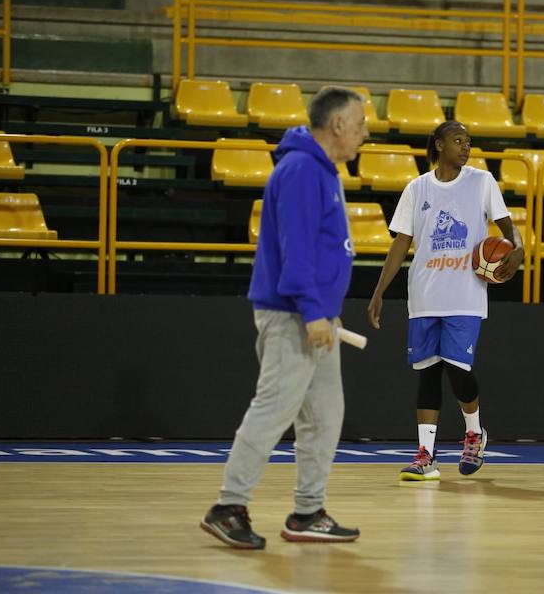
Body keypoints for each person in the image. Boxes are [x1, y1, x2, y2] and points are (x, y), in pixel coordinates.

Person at [200, 87, 368, 548]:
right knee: (274, 408)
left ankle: (308, 512)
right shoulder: (300, 170)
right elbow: (297, 249)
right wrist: (313, 311)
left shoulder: (322, 169)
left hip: (316, 316)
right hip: (293, 314)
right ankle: (228, 506)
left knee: (325, 416)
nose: (364, 133)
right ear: (337, 124)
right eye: (359, 124)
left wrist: (326, 312)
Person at [367, 120, 524, 481]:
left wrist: (518, 248)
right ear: (439, 145)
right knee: (428, 373)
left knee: (457, 368)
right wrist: (379, 291)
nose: (466, 147)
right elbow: (401, 243)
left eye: (468, 141)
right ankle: (426, 456)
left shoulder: (482, 181)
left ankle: (474, 433)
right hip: (424, 293)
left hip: (465, 294)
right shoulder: (417, 188)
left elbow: (506, 225)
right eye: (458, 140)